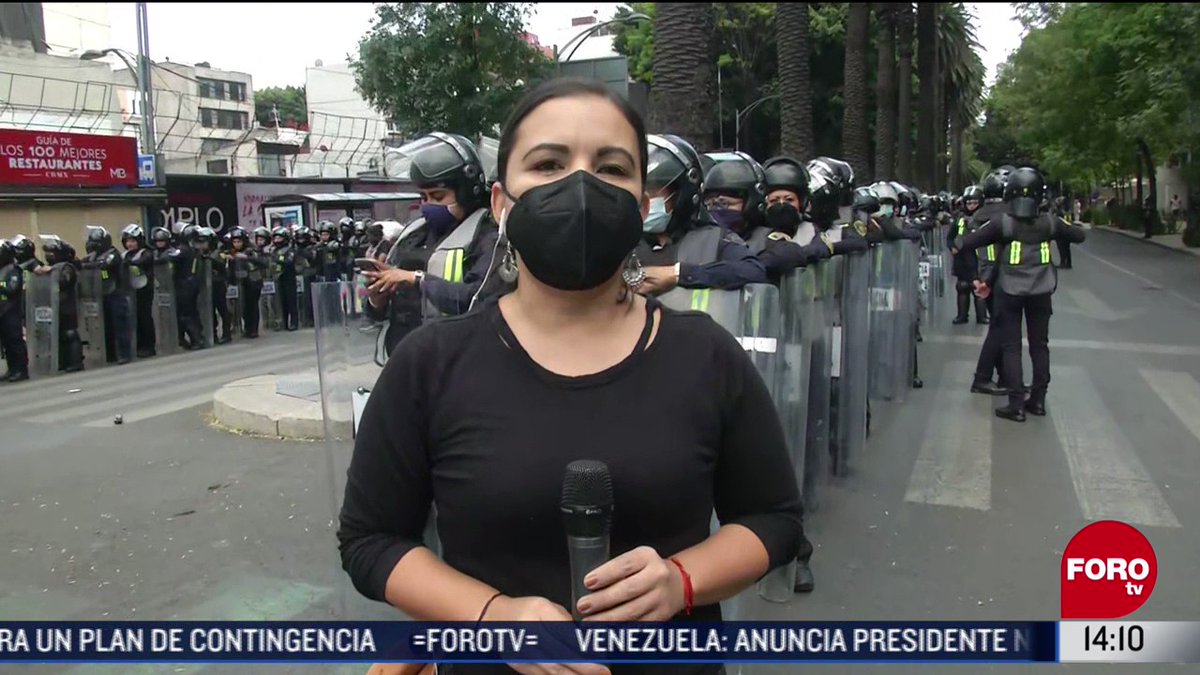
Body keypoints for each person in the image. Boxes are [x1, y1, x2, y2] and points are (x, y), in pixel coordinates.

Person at [338, 78, 802, 675]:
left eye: (611, 168)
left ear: (640, 205)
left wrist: (683, 581)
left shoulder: (705, 355)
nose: (580, 186)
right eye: (549, 162)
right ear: (503, 203)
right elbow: (371, 541)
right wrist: (490, 616)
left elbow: (773, 521)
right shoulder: (429, 365)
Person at [955, 167, 1087, 422]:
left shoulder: (1002, 223)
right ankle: (1037, 400)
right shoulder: (1049, 222)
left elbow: (965, 243)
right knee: (1040, 345)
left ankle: (1016, 404)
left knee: (1011, 347)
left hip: (1009, 292)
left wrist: (977, 277)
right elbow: (1078, 235)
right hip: (1041, 291)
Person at [362, 132, 503, 358]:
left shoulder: (489, 237)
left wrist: (415, 278)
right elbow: (377, 315)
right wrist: (376, 299)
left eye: (438, 196)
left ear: (467, 191)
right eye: (424, 197)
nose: (428, 205)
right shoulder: (413, 234)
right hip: (404, 363)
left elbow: (480, 299)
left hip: (457, 366)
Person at [630, 136, 768, 305]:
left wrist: (679, 274)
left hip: (695, 330)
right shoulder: (625, 241)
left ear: (684, 194)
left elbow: (753, 271)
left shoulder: (713, 239)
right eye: (639, 192)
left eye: (653, 191)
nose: (645, 200)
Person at [968, 171, 1009, 395]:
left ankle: (1004, 375)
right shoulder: (1005, 216)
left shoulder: (978, 216)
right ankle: (983, 377)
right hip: (998, 275)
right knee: (999, 329)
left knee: (1000, 326)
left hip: (984, 273)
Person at [81, 226, 132, 365]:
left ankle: (125, 354)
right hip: (102, 295)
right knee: (106, 327)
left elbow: (103, 265)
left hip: (116, 294)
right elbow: (84, 263)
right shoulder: (95, 255)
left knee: (120, 326)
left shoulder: (112, 254)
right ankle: (111, 355)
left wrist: (87, 265)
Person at [38, 235, 84, 372]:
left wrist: (51, 272)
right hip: (56, 306)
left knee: (70, 334)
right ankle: (63, 361)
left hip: (67, 305)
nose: (48, 256)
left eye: (51, 253)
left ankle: (75, 362)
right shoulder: (52, 267)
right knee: (58, 336)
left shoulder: (66, 267)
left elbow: (65, 281)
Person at [948, 185, 988, 325]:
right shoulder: (959, 217)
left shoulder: (986, 218)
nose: (971, 206)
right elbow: (950, 236)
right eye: (969, 203)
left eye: (974, 203)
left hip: (979, 256)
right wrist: (952, 247)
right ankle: (962, 315)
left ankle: (982, 316)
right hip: (962, 256)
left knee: (979, 287)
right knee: (962, 286)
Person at [120, 224, 157, 358]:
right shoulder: (124, 255)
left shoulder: (146, 253)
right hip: (129, 291)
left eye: (133, 241)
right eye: (128, 241)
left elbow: (143, 261)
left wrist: (129, 263)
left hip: (144, 290)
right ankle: (137, 345)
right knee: (132, 318)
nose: (130, 244)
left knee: (144, 318)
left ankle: (149, 346)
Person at [0, 240, 29, 382]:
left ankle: (21, 370)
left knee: (15, 340)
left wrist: (0, 284)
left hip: (11, 310)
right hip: (2, 311)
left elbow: (12, 288)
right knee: (6, 343)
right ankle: (12, 369)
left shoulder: (14, 270)